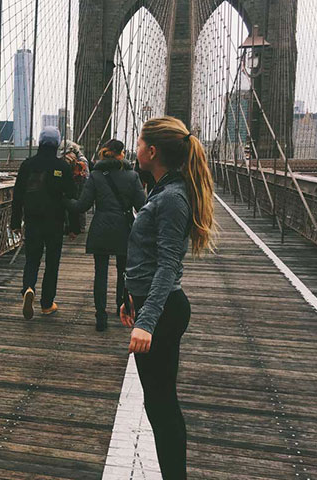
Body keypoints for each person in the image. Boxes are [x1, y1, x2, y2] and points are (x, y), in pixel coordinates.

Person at [121, 116, 216, 479]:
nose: (137, 149)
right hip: (150, 305)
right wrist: (131, 299)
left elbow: (167, 265)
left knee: (162, 406)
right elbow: (149, 258)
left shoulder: (172, 198)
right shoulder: (162, 190)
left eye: (140, 143)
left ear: (153, 151)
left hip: (163, 312)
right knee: (158, 404)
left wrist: (146, 322)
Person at [64, 139, 146, 332]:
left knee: (100, 274)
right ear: (122, 153)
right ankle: (121, 307)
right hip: (124, 228)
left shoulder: (96, 176)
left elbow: (82, 205)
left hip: (100, 227)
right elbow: (142, 207)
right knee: (123, 272)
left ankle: (100, 316)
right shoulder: (132, 176)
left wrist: (63, 201)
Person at [11, 126, 80, 320]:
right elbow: (71, 198)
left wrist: (15, 222)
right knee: (52, 263)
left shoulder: (27, 165)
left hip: (32, 220)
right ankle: (47, 303)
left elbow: (18, 196)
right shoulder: (63, 167)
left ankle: (28, 288)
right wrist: (74, 227)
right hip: (55, 222)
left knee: (32, 258)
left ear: (40, 142)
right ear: (57, 144)